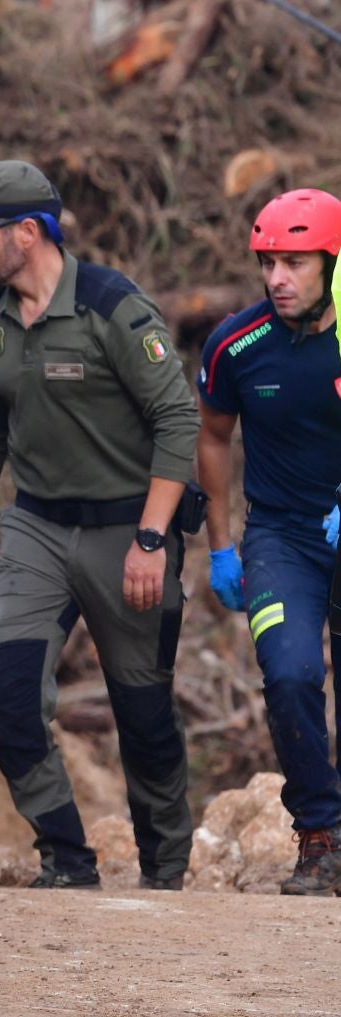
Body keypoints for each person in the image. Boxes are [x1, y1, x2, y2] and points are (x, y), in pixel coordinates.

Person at [0, 160, 196, 890]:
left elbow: (177, 417)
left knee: (142, 713)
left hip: (126, 530)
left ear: (27, 231)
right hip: (36, 531)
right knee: (9, 699)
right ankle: (67, 858)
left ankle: (166, 871)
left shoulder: (114, 308)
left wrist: (151, 539)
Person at [197, 188, 341, 894]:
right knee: (288, 677)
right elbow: (214, 436)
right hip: (281, 538)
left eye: (295, 262)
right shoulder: (236, 343)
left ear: (332, 262)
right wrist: (222, 546)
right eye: (268, 262)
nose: (278, 277)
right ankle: (320, 836)